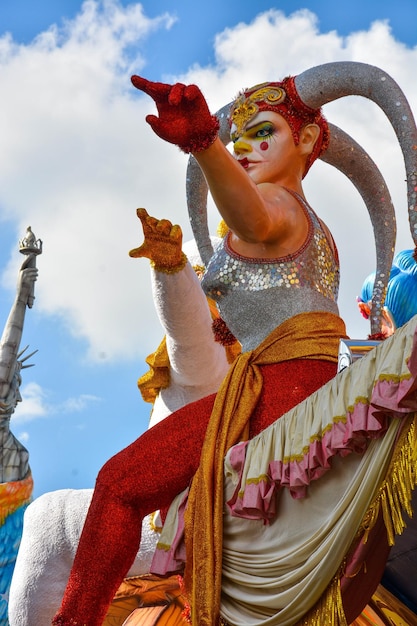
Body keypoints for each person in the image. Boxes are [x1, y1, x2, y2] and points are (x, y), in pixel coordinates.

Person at [52, 72, 417, 626]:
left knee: (119, 486)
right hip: (282, 384)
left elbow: (252, 214)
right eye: (237, 136)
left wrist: (205, 144)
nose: (244, 145)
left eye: (262, 132)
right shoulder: (303, 219)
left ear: (309, 142)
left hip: (281, 392)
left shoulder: (276, 203)